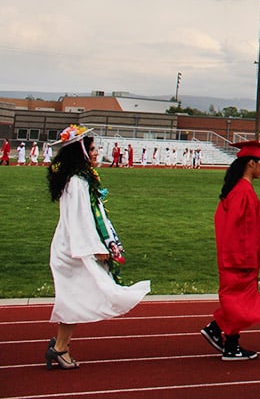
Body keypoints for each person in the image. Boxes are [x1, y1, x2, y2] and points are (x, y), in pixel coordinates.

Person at [45, 125, 151, 369]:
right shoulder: (77, 183)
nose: (96, 152)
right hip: (73, 250)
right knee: (79, 298)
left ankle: (60, 344)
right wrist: (97, 248)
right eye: (92, 148)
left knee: (77, 298)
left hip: (73, 247)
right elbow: (80, 219)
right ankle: (60, 348)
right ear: (80, 151)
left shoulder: (79, 180)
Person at [201, 140, 260, 361]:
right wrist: (244, 257)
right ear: (250, 164)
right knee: (239, 301)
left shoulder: (237, 190)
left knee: (239, 301)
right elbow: (238, 229)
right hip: (240, 257)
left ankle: (221, 335)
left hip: (238, 256)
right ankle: (227, 341)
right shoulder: (242, 192)